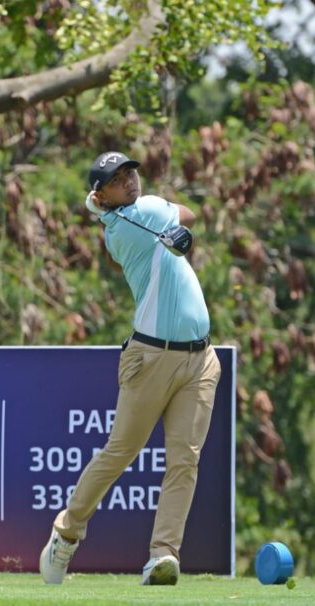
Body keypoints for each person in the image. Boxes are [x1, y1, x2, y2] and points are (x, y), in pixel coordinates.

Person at [39, 151, 222, 586]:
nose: (130, 181)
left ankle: (163, 555)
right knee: (120, 451)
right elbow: (181, 213)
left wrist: (178, 228)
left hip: (201, 360)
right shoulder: (123, 228)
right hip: (151, 357)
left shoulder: (142, 210)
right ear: (103, 194)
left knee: (185, 460)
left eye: (131, 173)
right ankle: (65, 534)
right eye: (118, 179)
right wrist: (175, 226)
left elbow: (188, 215)